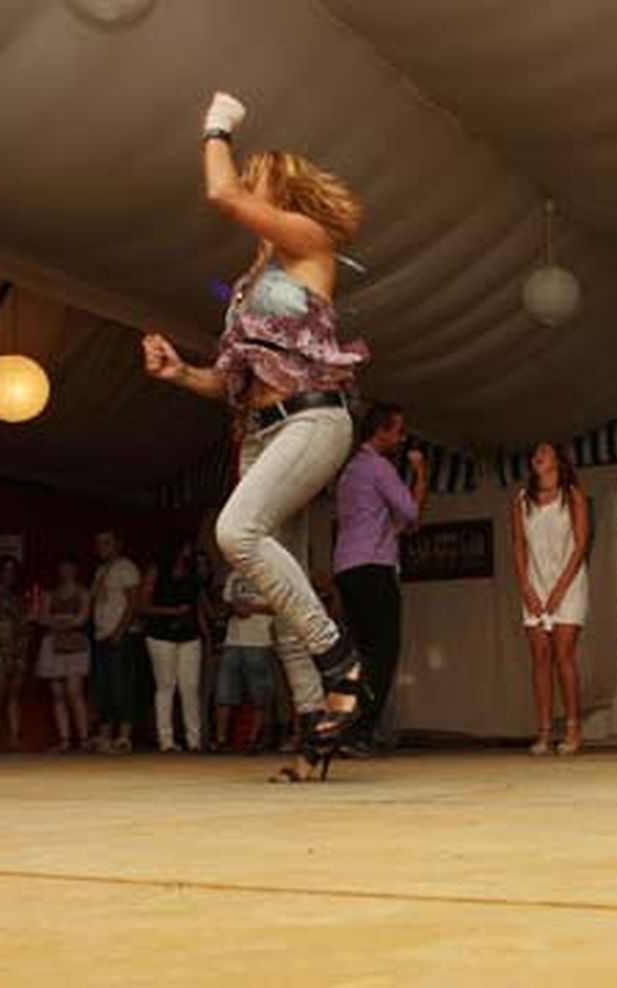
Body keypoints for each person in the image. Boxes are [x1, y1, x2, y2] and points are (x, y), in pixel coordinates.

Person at [141, 91, 370, 783]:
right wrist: (181, 372)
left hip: (313, 419)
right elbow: (231, 382)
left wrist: (218, 126)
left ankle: (342, 661)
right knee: (277, 602)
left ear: (284, 191)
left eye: (255, 176)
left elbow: (219, 192)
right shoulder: (249, 284)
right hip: (262, 433)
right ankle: (315, 741)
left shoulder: (308, 243)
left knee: (236, 532)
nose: (242, 182)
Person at [332, 401, 427, 754]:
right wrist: (420, 473)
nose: (402, 438)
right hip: (373, 567)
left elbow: (388, 522)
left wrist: (397, 525)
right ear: (381, 431)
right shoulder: (379, 467)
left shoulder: (349, 471)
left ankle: (340, 726)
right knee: (384, 651)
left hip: (347, 567)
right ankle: (360, 732)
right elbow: (411, 512)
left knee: (358, 654)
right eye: (398, 431)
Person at [511, 442, 591, 756]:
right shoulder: (521, 500)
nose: (538, 456)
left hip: (568, 582)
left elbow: (581, 544)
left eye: (544, 452)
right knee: (540, 657)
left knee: (563, 654)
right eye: (535, 453)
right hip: (536, 583)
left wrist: (559, 589)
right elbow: (518, 545)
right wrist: (526, 587)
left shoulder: (572, 495)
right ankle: (544, 730)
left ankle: (572, 728)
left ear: (557, 460)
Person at [142, 539, 209, 753]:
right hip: (161, 634)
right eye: (185, 547)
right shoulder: (156, 572)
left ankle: (194, 740)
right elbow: (143, 606)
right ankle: (166, 740)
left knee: (190, 687)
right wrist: (172, 612)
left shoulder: (193, 574)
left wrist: (205, 633)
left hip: (189, 635)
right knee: (166, 686)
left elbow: (198, 606)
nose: (189, 551)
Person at [89, 530, 142, 753]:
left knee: (122, 685)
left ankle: (124, 736)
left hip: (121, 634)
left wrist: (120, 631)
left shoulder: (126, 567)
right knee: (104, 687)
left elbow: (134, 602)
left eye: (107, 542)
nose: (102, 546)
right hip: (101, 634)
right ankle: (105, 735)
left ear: (118, 544)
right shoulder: (100, 570)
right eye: (99, 543)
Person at [213, 569, 276, 753]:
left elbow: (280, 606)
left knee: (259, 694)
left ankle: (253, 739)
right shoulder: (234, 575)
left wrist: (252, 609)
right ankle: (221, 739)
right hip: (232, 640)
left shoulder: (269, 572)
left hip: (260, 641)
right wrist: (234, 608)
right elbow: (224, 603)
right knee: (224, 692)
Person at [34, 557, 92, 753]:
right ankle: (64, 740)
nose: (66, 571)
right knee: (58, 694)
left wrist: (57, 622)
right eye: (63, 567)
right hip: (53, 644)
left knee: (74, 692)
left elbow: (82, 619)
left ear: (75, 569)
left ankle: (84, 739)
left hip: (76, 644)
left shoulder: (83, 592)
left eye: (69, 567)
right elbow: (42, 617)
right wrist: (62, 622)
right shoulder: (50, 594)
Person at [0, 555, 31, 751]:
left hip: (17, 649)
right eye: (5, 570)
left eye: (12, 570)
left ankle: (15, 739)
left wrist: (23, 648)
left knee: (14, 693)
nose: (8, 574)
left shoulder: (18, 599)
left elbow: (25, 626)